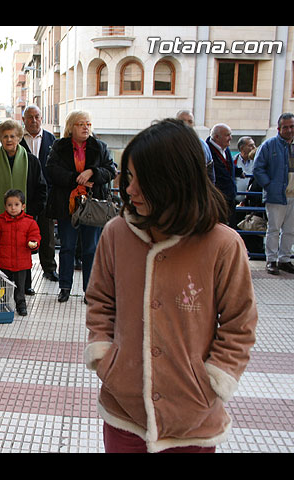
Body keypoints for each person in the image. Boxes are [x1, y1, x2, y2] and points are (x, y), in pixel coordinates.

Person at [84, 119, 257, 453]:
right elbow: (100, 301)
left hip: (192, 420)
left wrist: (212, 381)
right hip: (124, 415)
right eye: (128, 177)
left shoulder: (224, 244)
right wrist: (106, 358)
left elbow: (240, 322)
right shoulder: (116, 234)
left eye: (141, 180)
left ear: (174, 180)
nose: (129, 189)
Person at [45, 110, 116, 303]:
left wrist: (92, 172)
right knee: (67, 247)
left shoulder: (99, 146)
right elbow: (51, 170)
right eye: (81, 124)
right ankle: (65, 288)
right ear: (71, 127)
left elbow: (111, 169)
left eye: (88, 124)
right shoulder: (59, 146)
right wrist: (76, 178)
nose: (86, 127)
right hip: (68, 204)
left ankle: (89, 291)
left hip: (92, 206)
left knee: (91, 249)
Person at [0, 119, 47, 296]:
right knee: (2, 250)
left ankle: (26, 285)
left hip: (26, 217)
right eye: (5, 136)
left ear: (19, 137)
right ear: (0, 139)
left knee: (24, 250)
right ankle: (3, 286)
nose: (9, 140)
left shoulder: (32, 161)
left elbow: (41, 189)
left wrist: (31, 212)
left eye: (13, 136)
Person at [20, 105, 58, 282]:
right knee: (22, 235)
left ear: (41, 118)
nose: (33, 120)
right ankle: (24, 273)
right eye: (29, 117)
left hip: (46, 195)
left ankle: (49, 269)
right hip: (22, 197)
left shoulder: (52, 140)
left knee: (48, 234)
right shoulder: (18, 139)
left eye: (37, 117)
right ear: (23, 120)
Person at [253, 112, 294, 275]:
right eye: (286, 127)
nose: (289, 130)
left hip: (293, 196)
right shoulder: (269, 145)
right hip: (276, 195)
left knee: (290, 230)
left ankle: (284, 259)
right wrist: (269, 186)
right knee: (273, 229)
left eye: (292, 126)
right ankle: (271, 260)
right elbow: (258, 168)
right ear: (279, 128)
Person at [0, 189, 41, 316]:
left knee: (20, 286)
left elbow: (35, 235)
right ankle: (4, 304)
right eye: (9, 205)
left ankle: (21, 305)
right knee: (4, 286)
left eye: (16, 205)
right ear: (5, 206)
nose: (13, 208)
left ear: (23, 206)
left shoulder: (30, 222)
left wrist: (33, 242)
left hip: (21, 263)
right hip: (3, 261)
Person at [206, 123, 242, 226]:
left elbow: (229, 167)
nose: (230, 138)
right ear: (217, 137)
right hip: (216, 197)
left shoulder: (226, 150)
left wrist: (238, 172)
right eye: (227, 135)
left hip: (230, 197)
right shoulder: (207, 150)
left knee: (230, 226)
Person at [176, 109, 215, 182]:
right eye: (182, 121)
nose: (186, 124)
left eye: (190, 121)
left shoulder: (202, 145)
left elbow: (210, 173)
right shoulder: (168, 143)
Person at [234, 136, 256, 203]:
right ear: (242, 148)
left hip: (252, 201)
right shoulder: (233, 161)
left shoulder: (257, 162)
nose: (254, 148)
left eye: (254, 145)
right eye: (250, 145)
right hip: (236, 201)